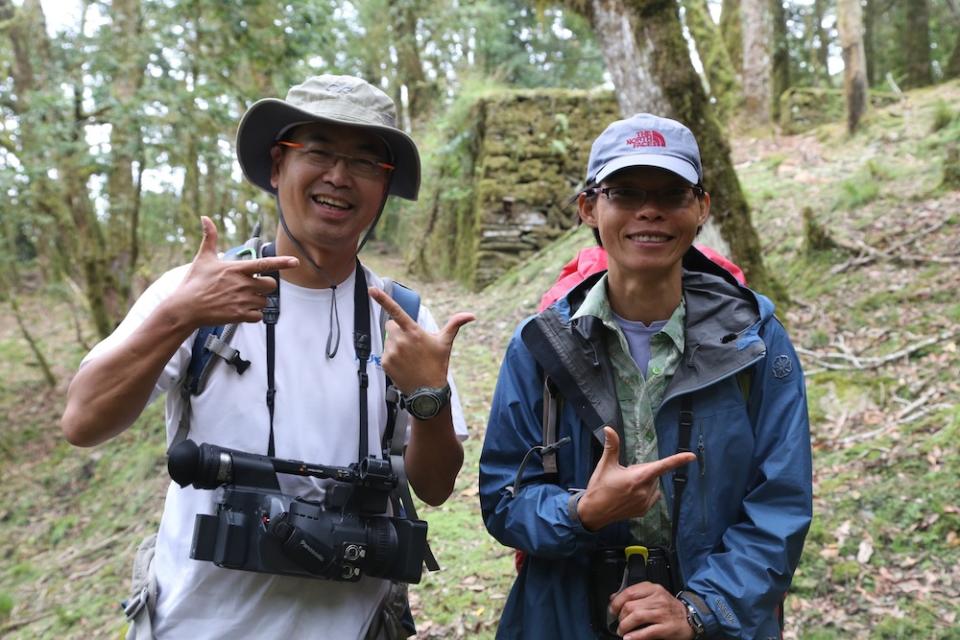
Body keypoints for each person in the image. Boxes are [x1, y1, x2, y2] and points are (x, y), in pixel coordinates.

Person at [61, 75, 474, 639]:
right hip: (193, 626)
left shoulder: (399, 319)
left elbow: (436, 487)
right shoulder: (193, 293)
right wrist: (179, 316)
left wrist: (429, 397)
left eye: (363, 162)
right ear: (278, 165)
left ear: (385, 188)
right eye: (320, 151)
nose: (338, 176)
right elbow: (83, 421)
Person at [479, 113, 812, 639]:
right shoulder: (542, 345)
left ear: (701, 207)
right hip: (563, 615)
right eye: (626, 192)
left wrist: (700, 609)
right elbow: (503, 497)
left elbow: (781, 502)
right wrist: (581, 512)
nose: (650, 211)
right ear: (589, 207)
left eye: (672, 194)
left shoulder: (754, 342)